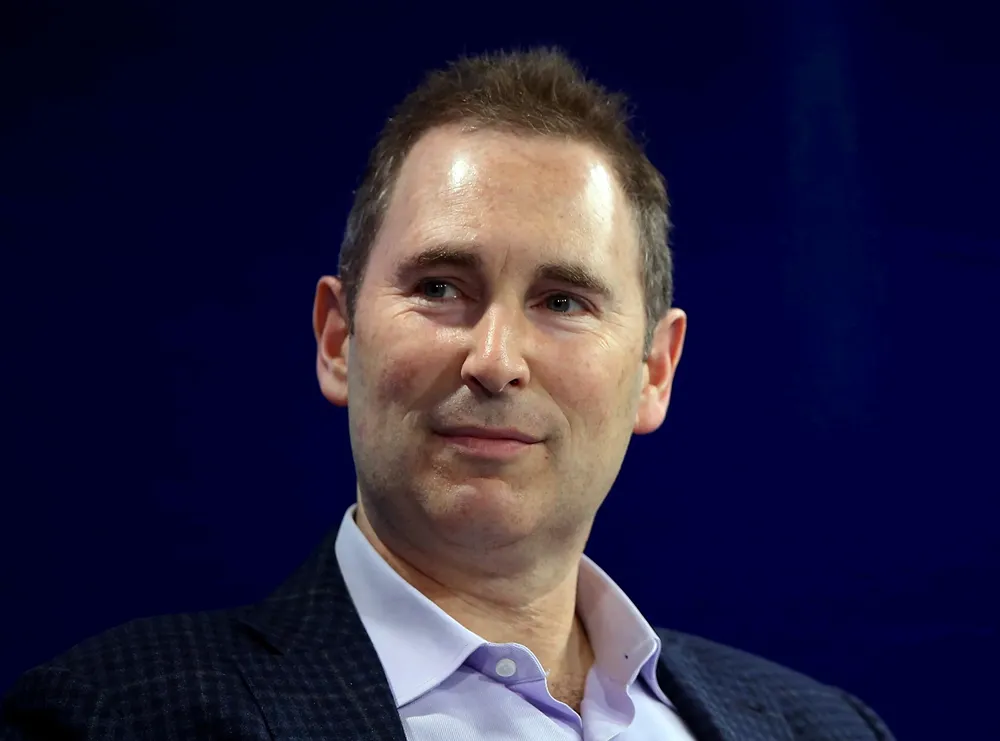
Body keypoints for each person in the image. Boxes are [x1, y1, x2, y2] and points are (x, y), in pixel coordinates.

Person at [1, 48, 895, 741]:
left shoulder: (827, 729)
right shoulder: (112, 717)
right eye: (439, 288)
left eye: (563, 301)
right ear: (338, 338)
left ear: (654, 372)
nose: (495, 361)